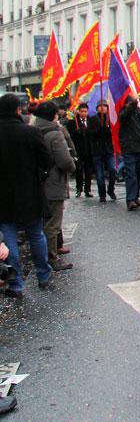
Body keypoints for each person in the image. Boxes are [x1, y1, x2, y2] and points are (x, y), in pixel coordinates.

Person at [0, 93, 53, 297]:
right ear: (18, 109)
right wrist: (37, 176)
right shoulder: (31, 132)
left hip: (3, 198)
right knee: (36, 234)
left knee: (9, 238)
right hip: (30, 193)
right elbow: (47, 161)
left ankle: (16, 284)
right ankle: (43, 275)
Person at [32, 101, 76, 272]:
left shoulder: (33, 130)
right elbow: (64, 160)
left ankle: (49, 252)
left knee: (43, 222)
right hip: (53, 182)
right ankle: (52, 258)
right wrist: (73, 165)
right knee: (52, 223)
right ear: (54, 115)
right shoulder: (54, 133)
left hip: (37, 182)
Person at [119, 95, 140, 211]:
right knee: (131, 174)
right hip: (129, 149)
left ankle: (136, 197)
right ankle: (130, 199)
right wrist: (132, 104)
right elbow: (126, 113)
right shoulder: (124, 114)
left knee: (138, 174)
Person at [87, 100, 117, 202]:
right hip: (97, 149)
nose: (103, 108)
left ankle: (111, 189)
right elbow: (89, 133)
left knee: (113, 170)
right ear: (97, 108)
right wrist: (98, 130)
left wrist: (107, 130)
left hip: (109, 149)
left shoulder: (110, 118)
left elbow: (114, 132)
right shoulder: (93, 119)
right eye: (100, 106)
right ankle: (102, 194)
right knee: (99, 175)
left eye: (105, 106)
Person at [67, 103, 93, 197]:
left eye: (85, 111)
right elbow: (69, 134)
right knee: (79, 170)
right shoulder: (73, 121)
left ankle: (88, 189)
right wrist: (75, 132)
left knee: (88, 171)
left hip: (89, 150)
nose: (83, 113)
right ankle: (79, 188)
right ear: (78, 111)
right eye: (81, 111)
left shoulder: (90, 121)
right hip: (78, 150)